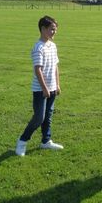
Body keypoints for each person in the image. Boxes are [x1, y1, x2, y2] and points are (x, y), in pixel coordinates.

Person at [15, 15, 63, 156]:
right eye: (51, 29)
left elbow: (55, 66)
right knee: (39, 118)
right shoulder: (38, 47)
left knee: (48, 116)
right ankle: (22, 141)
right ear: (43, 29)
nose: (54, 32)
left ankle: (46, 141)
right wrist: (44, 88)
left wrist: (57, 85)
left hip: (52, 88)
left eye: (55, 29)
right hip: (40, 90)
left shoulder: (52, 46)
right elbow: (38, 70)